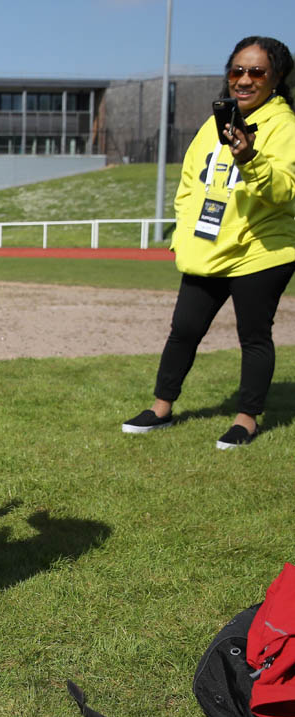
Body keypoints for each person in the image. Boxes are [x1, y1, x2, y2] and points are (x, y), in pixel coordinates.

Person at [122, 36, 295, 450]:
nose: (244, 80)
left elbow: (286, 190)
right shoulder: (214, 123)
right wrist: (183, 234)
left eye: (256, 72)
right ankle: (161, 409)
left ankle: (246, 419)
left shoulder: (284, 126)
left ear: (277, 78)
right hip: (208, 247)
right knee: (183, 330)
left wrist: (251, 159)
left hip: (260, 250)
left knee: (254, 336)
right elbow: (188, 184)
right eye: (237, 70)